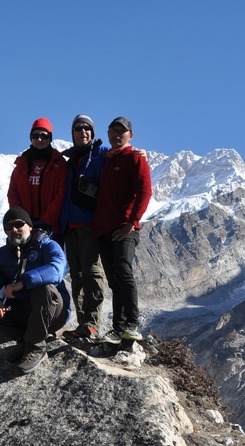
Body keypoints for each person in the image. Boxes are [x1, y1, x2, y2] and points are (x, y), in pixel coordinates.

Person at [0, 207, 70, 374]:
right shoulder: (2, 254)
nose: (14, 230)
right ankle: (23, 341)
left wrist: (24, 282)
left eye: (19, 224)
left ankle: (36, 346)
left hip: (53, 311)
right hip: (23, 311)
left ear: (30, 226)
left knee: (45, 290)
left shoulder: (47, 245)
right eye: (9, 227)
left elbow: (57, 269)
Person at [93, 117, 152, 345]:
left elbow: (145, 191)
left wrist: (132, 222)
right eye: (113, 131)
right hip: (104, 230)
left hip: (125, 228)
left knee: (123, 272)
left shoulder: (135, 158)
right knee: (114, 280)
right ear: (108, 133)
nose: (117, 134)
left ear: (130, 135)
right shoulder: (108, 160)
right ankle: (118, 328)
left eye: (122, 131)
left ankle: (132, 324)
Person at [60, 114, 110, 343]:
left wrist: (137, 153)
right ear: (73, 133)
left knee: (92, 273)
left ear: (93, 132)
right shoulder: (68, 162)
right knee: (78, 277)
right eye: (78, 129)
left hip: (91, 224)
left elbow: (123, 159)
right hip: (70, 226)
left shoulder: (101, 154)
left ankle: (92, 324)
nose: (83, 132)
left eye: (87, 129)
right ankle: (83, 326)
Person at [7, 118, 67, 240]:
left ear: (50, 138)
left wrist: (47, 221)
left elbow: (62, 193)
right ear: (31, 138)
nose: (39, 139)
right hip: (26, 228)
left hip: (52, 227)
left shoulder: (59, 163)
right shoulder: (21, 165)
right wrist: (22, 221)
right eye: (35, 135)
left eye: (43, 136)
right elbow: (13, 193)